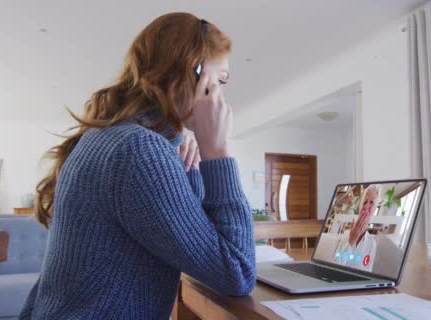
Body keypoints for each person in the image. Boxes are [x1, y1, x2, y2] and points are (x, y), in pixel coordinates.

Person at [19, 12, 255, 319]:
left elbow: (195, 242)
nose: (221, 98)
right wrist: (219, 153)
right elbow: (237, 272)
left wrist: (193, 165)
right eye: (219, 82)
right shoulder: (139, 151)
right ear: (191, 73)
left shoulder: (118, 137)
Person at [333, 185, 381, 271]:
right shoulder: (346, 234)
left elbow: (367, 274)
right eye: (365, 202)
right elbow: (336, 266)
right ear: (360, 207)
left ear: (374, 210)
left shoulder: (372, 243)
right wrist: (351, 241)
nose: (366, 207)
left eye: (371, 203)